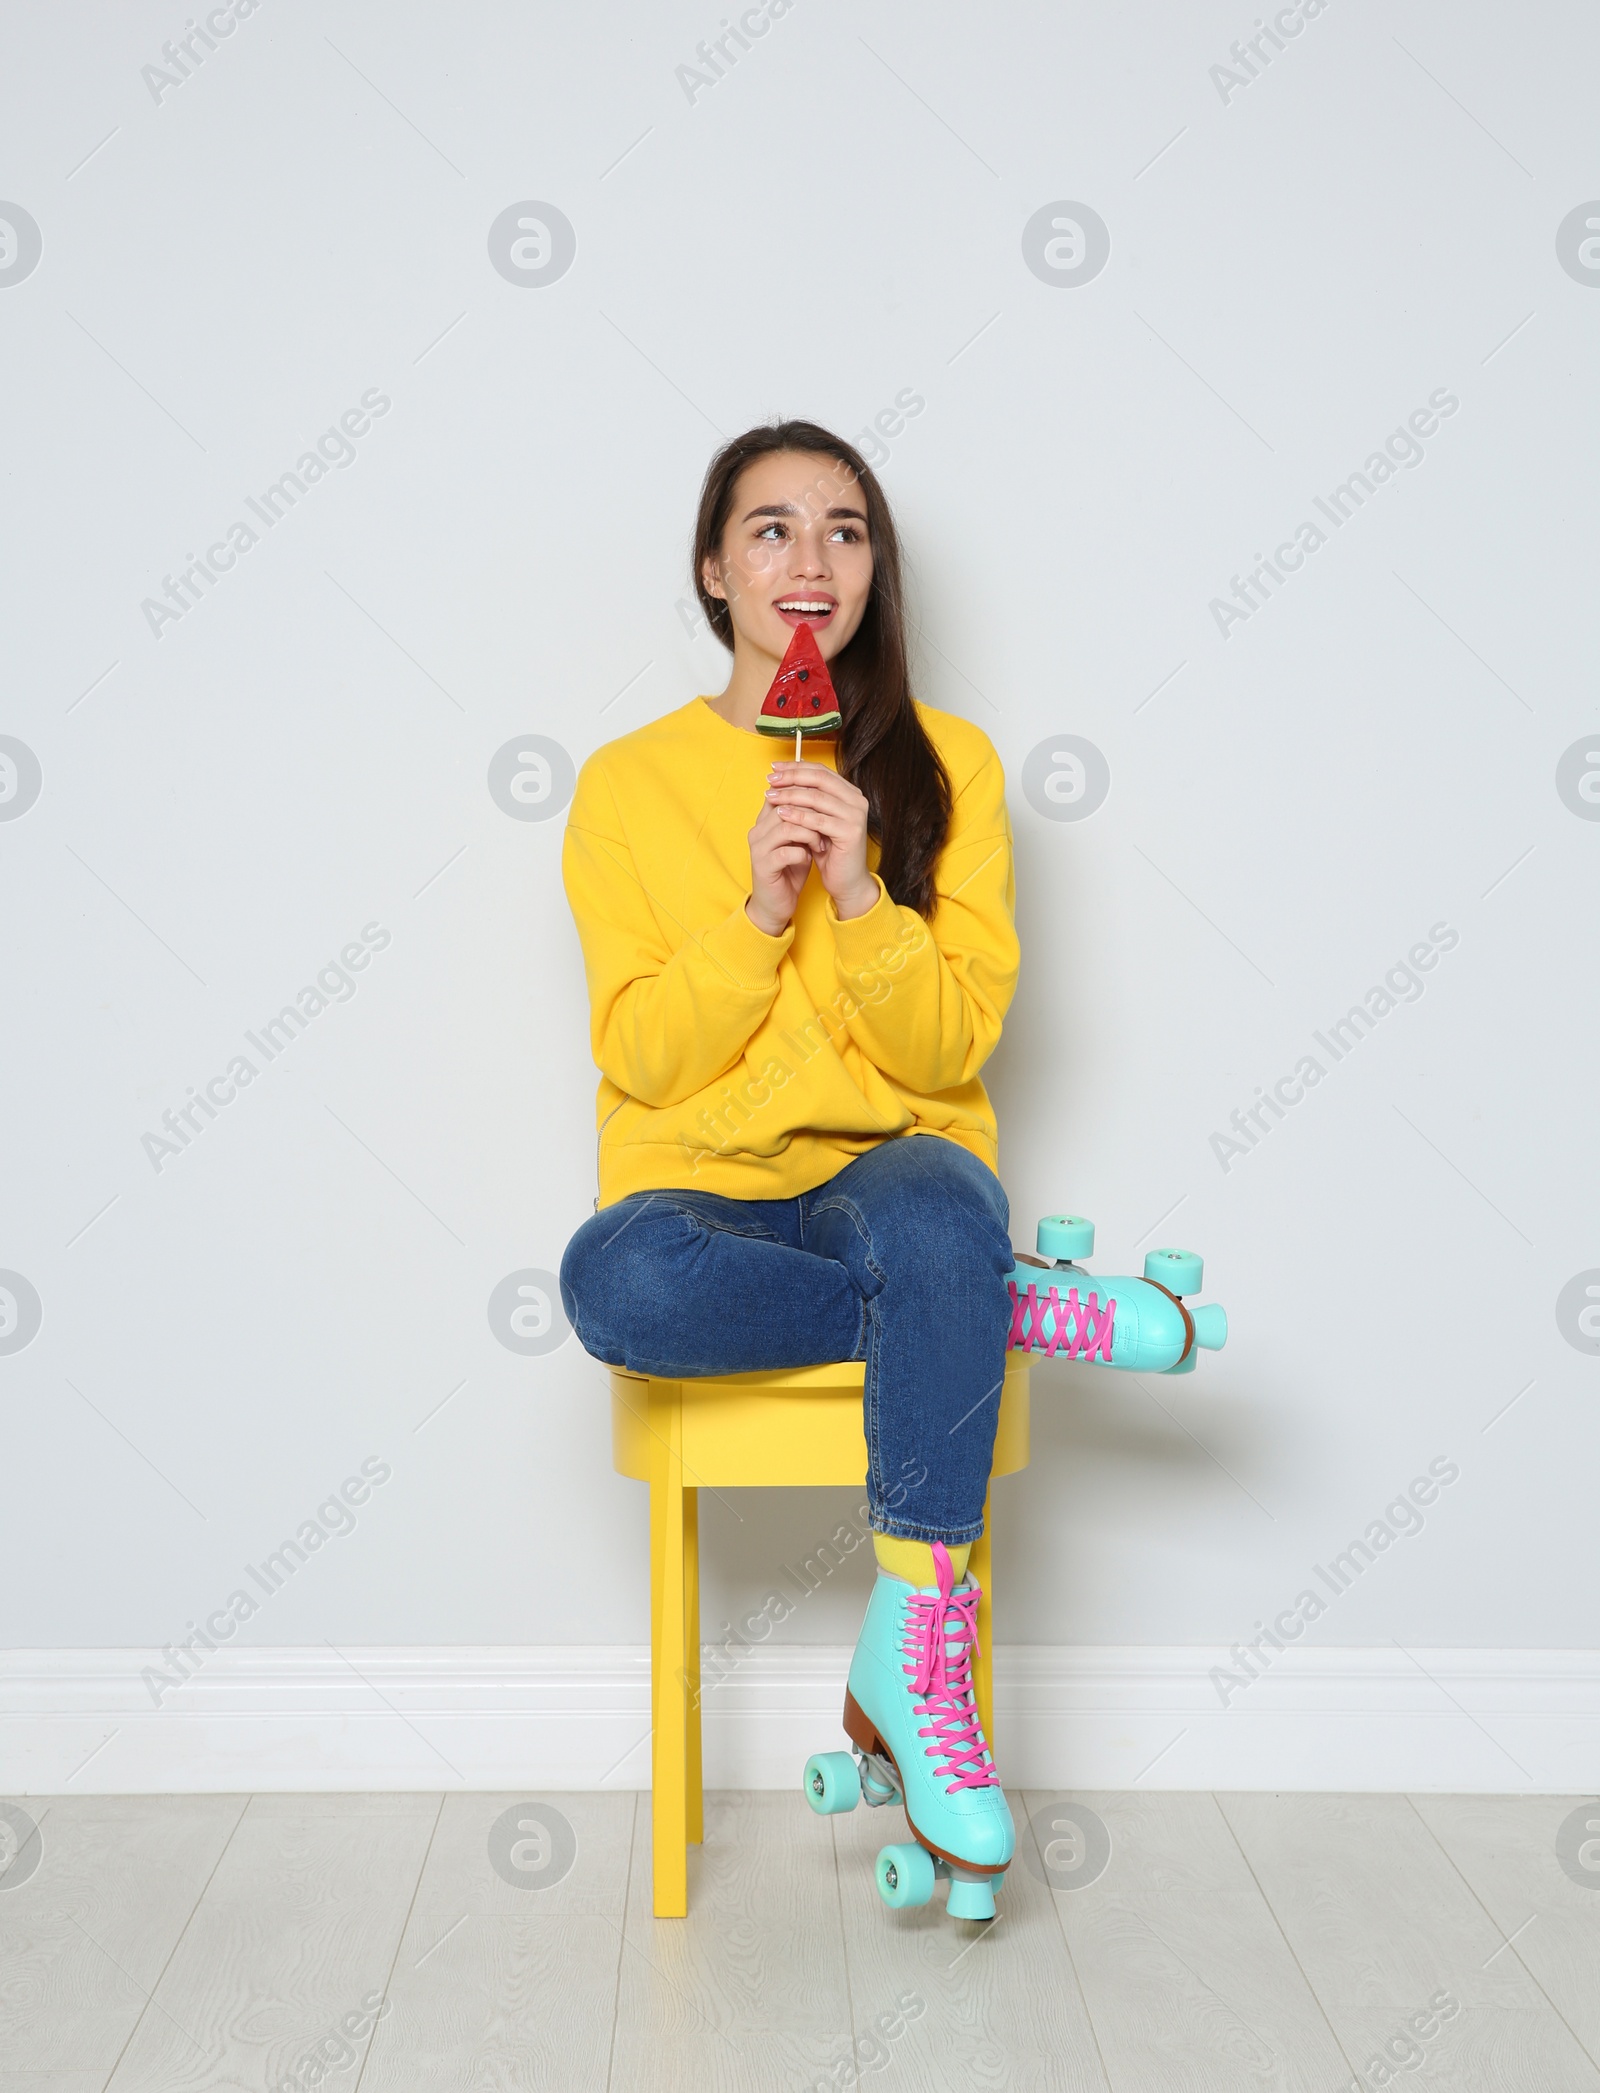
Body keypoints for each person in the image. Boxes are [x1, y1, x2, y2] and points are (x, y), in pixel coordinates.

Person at [558, 419, 1022, 1898]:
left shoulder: (955, 765)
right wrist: (758, 916)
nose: (808, 561)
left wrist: (867, 894)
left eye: (844, 530)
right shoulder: (625, 786)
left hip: (891, 1174)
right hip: (706, 1204)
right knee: (611, 1277)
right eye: (770, 529)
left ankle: (915, 1661)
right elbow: (643, 1057)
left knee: (945, 1208)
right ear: (715, 570)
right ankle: (982, 1306)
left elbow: (947, 1051)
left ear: (875, 572)